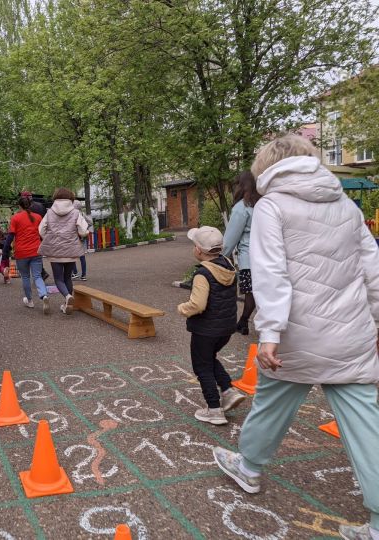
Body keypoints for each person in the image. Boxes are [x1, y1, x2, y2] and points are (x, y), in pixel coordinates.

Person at [211, 134, 379, 540]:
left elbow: (271, 273)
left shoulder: (271, 205)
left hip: (296, 337)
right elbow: (372, 268)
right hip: (351, 333)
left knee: (271, 405)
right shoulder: (345, 205)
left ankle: (249, 469)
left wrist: (269, 334)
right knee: (366, 424)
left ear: (267, 166)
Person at [177, 226, 246, 425]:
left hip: (206, 329)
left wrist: (183, 309)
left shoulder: (203, 274)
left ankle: (214, 409)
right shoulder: (227, 265)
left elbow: (198, 304)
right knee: (208, 358)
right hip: (225, 327)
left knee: (202, 366)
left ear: (198, 250)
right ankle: (228, 390)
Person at [38, 188, 88, 314]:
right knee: (67, 278)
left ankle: (67, 297)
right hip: (71, 250)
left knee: (58, 279)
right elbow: (83, 231)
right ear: (71, 198)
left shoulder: (49, 213)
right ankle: (67, 304)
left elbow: (41, 230)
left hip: (55, 251)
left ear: (55, 198)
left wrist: (49, 238)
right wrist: (81, 234)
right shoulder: (76, 213)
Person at [222, 172, 260, 335]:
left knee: (250, 293)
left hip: (248, 258)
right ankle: (244, 322)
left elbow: (231, 237)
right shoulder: (262, 204)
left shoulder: (241, 207)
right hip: (267, 257)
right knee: (261, 293)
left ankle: (243, 322)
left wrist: (219, 257)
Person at [2, 196, 50, 313]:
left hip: (21, 253)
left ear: (19, 206)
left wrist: (5, 253)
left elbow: (10, 237)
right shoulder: (38, 217)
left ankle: (30, 301)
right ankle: (44, 295)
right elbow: (43, 233)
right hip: (36, 251)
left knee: (25, 277)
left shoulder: (15, 218)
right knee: (37, 276)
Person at [71, 200, 92, 280]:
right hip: (82, 238)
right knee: (82, 257)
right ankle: (83, 275)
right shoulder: (82, 214)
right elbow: (90, 222)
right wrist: (85, 228)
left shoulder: (72, 215)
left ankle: (75, 273)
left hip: (74, 237)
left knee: (72, 256)